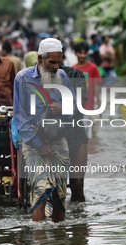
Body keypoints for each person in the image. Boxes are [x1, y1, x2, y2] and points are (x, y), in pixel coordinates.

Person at [13, 38, 76, 222]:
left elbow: (72, 107)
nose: (56, 66)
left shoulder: (63, 77)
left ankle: (58, 244)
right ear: (40, 59)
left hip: (58, 139)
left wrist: (62, 109)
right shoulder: (22, 78)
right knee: (40, 193)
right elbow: (20, 116)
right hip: (33, 141)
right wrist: (39, 144)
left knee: (59, 195)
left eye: (59, 62)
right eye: (51, 62)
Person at [60, 63, 88, 202]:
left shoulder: (76, 75)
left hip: (75, 133)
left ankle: (80, 221)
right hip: (47, 137)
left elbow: (80, 104)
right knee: (53, 188)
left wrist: (61, 108)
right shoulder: (34, 77)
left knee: (77, 185)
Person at [72, 42, 102, 137]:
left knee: (84, 134)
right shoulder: (73, 69)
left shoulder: (92, 68)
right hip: (76, 108)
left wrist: (99, 106)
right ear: (75, 53)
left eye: (85, 53)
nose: (82, 55)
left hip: (88, 107)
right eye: (80, 53)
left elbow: (96, 87)